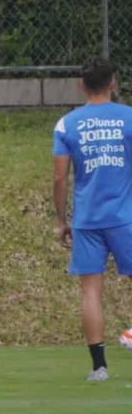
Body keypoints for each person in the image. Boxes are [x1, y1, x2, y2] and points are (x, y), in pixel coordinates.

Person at [51, 56, 132, 381]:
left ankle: (99, 367)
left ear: (81, 85)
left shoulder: (67, 123)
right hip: (125, 215)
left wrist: (61, 219)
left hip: (86, 218)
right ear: (113, 82)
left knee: (91, 291)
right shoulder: (128, 117)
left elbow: (59, 177)